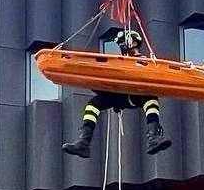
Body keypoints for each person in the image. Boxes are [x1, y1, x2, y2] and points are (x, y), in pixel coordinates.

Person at [62, 29, 171, 158]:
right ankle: (83, 143)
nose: (121, 47)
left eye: (122, 43)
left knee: (150, 99)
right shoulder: (119, 62)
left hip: (135, 94)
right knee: (93, 104)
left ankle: (154, 137)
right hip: (118, 93)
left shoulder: (144, 61)